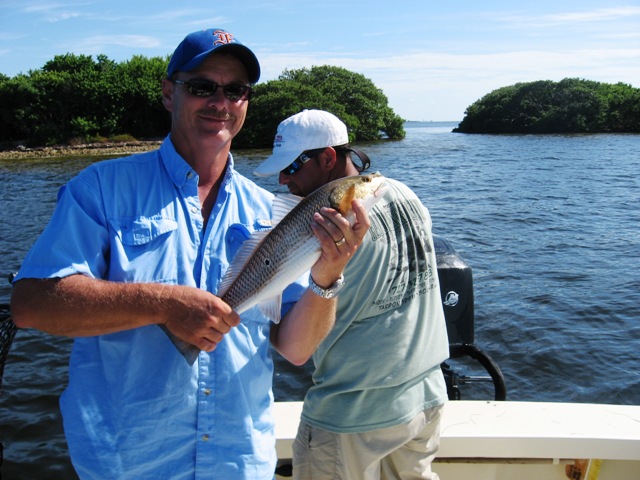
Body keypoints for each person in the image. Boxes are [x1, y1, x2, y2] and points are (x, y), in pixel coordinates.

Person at [10, 32, 370, 479]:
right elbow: (31, 304)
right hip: (128, 465)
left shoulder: (268, 211)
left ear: (246, 102)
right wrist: (161, 304)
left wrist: (328, 274)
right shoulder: (100, 188)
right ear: (168, 93)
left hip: (238, 462)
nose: (220, 102)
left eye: (235, 90)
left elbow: (297, 349)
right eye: (203, 86)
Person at [254, 109, 450, 479]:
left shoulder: (323, 234)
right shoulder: (403, 193)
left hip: (353, 413)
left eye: (291, 168)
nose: (282, 179)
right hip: (426, 400)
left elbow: (295, 349)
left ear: (329, 158)